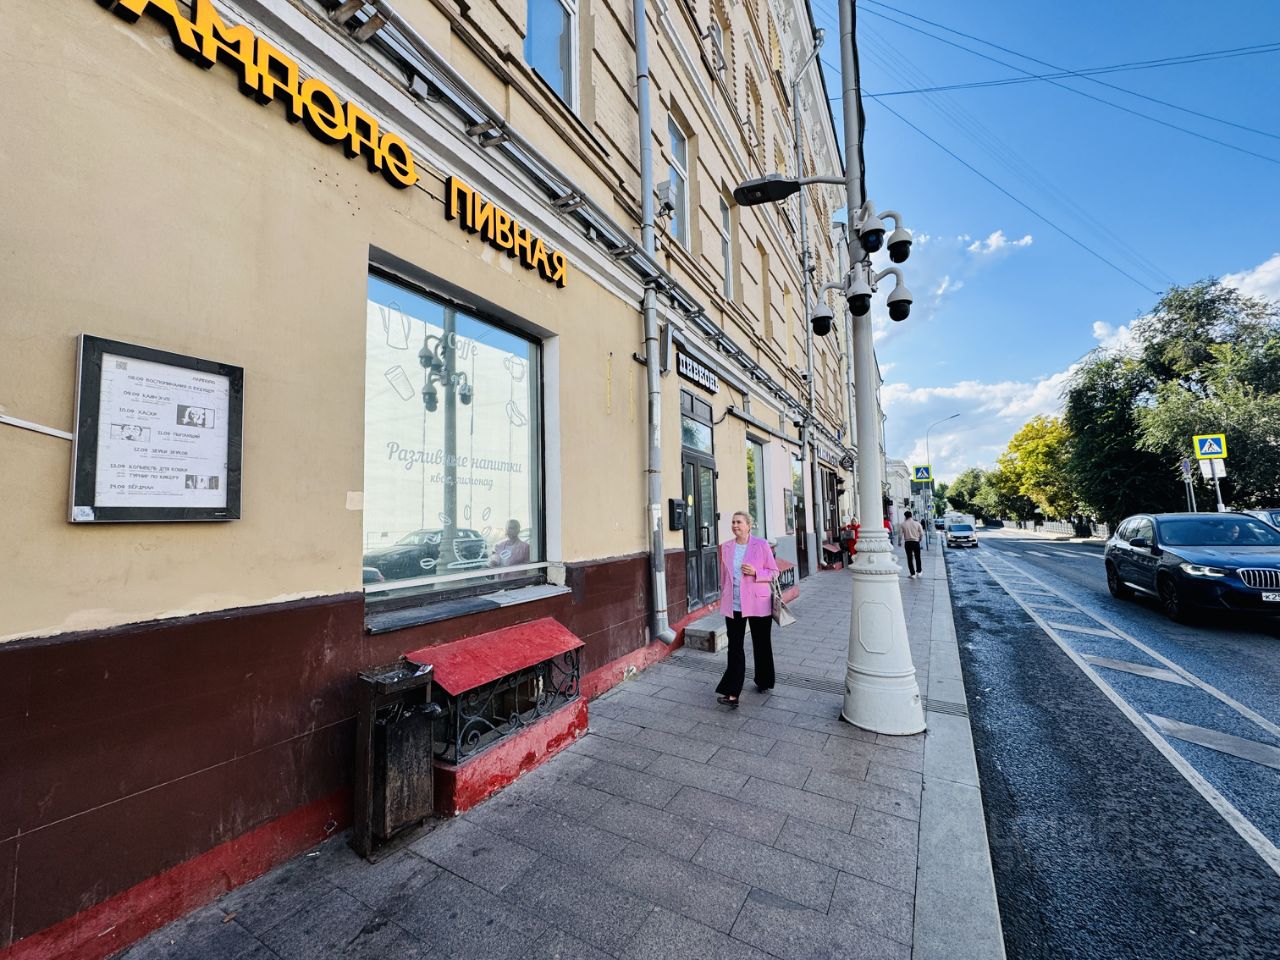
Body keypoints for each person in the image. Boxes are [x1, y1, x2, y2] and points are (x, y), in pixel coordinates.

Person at [715, 511, 780, 707]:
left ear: (749, 526)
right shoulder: (726, 547)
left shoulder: (761, 544)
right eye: (733, 522)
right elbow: (724, 575)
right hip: (734, 603)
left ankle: (764, 680)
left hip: (758, 603)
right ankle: (732, 692)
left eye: (739, 522)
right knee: (734, 647)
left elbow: (774, 572)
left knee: (761, 643)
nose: (735, 525)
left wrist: (756, 572)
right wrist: (723, 594)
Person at [900, 509, 925, 579]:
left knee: (909, 558)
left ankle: (912, 574)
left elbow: (900, 535)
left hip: (908, 543)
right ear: (911, 516)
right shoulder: (917, 523)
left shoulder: (903, 524)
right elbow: (922, 533)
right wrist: (919, 539)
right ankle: (919, 572)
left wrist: (899, 542)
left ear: (905, 516)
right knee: (917, 557)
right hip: (916, 542)